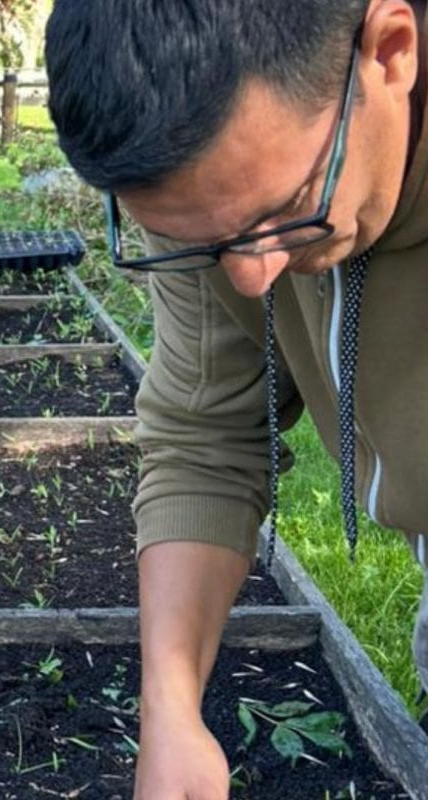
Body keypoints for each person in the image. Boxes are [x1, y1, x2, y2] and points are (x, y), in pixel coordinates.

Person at [45, 0, 428, 797]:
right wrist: (172, 713)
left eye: (283, 212)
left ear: (390, 54)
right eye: (201, 242)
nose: (249, 281)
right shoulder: (213, 183)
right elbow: (205, 432)